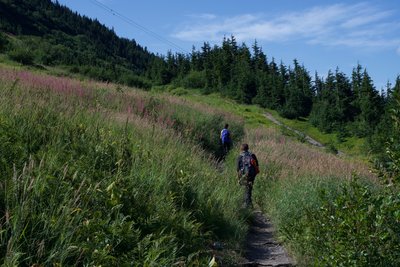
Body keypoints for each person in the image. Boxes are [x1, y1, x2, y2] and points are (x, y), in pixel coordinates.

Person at [236, 144, 259, 208]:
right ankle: (249, 203)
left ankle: (247, 204)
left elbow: (238, 169)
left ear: (241, 149)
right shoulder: (252, 155)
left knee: (246, 187)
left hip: (244, 174)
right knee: (249, 188)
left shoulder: (240, 157)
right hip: (252, 174)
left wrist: (238, 179)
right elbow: (257, 165)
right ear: (248, 148)